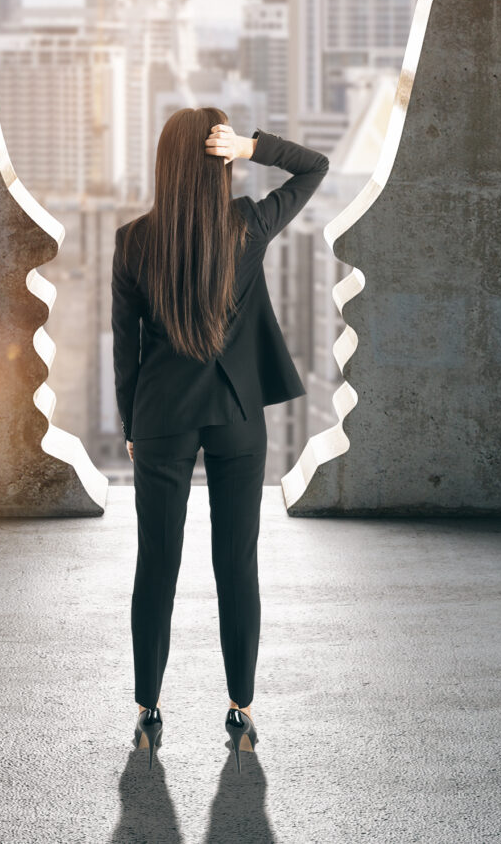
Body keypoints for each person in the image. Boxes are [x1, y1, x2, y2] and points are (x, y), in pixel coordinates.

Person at [114, 106, 328, 756]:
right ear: (220, 161)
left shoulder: (133, 239)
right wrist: (254, 145)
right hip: (236, 414)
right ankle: (241, 708)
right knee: (236, 563)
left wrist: (132, 423)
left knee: (157, 563)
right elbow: (314, 166)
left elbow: (128, 348)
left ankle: (148, 706)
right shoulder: (248, 225)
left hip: (160, 418)